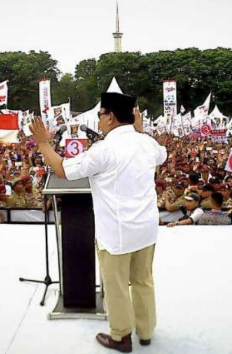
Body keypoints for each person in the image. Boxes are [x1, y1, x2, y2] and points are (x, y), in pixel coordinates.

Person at [29, 92, 167, 352]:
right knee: (143, 280)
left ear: (111, 117)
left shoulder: (104, 149)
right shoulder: (147, 143)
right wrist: (140, 131)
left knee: (115, 286)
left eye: (100, 115)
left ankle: (121, 336)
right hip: (147, 228)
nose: (99, 120)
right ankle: (146, 331)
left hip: (117, 232)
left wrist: (43, 144)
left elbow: (62, 170)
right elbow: (162, 156)